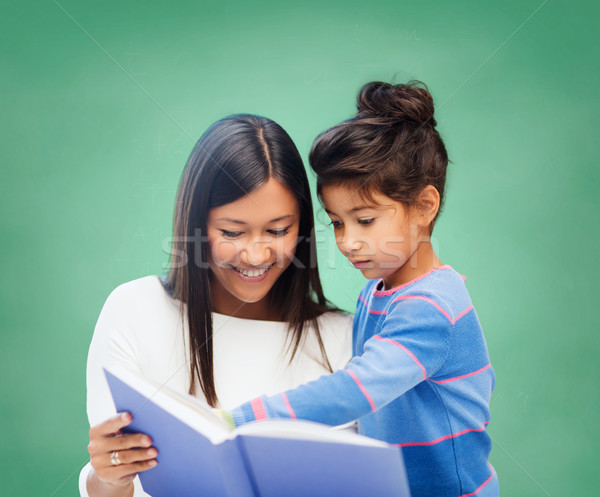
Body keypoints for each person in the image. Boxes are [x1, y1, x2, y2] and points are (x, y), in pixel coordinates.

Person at [221, 82, 498, 497]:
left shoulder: (432, 306)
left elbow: (357, 390)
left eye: (364, 220)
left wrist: (239, 421)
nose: (347, 241)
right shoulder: (379, 292)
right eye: (336, 222)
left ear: (424, 206)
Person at [80, 114, 353, 497]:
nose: (256, 254)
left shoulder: (345, 339)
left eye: (278, 230)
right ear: (196, 224)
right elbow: (118, 481)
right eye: (232, 232)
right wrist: (106, 479)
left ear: (303, 228)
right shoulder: (135, 311)